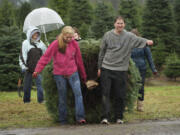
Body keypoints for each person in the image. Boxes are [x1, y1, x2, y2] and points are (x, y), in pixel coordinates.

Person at [97, 16, 154, 124]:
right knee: (106, 93)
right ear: (114, 24)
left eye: (122, 23)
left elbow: (139, 40)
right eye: (118, 23)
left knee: (120, 94)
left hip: (121, 70)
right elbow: (102, 52)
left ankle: (119, 117)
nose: (120, 25)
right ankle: (105, 118)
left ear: (124, 25)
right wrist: (99, 67)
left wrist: (147, 41)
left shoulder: (129, 36)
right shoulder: (108, 35)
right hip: (107, 68)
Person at [32, 26, 87, 125]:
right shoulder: (55, 44)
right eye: (67, 38)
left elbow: (79, 60)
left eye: (71, 37)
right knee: (62, 97)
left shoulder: (74, 44)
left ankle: (80, 117)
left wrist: (83, 75)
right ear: (63, 35)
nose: (70, 40)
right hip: (59, 75)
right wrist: (37, 70)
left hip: (73, 73)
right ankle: (63, 119)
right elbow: (45, 58)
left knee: (78, 95)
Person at [131, 28, 157, 112]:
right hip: (130, 69)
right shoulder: (128, 44)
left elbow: (149, 57)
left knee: (140, 86)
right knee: (129, 86)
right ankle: (129, 104)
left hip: (141, 68)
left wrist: (153, 69)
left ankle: (140, 106)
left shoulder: (144, 45)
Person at [19, 26, 47, 103]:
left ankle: (41, 100)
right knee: (27, 86)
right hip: (28, 68)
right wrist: (23, 66)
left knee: (40, 85)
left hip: (38, 68)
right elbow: (22, 56)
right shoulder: (25, 43)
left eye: (37, 33)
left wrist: (48, 47)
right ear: (30, 34)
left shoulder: (41, 44)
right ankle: (26, 100)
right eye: (34, 33)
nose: (36, 35)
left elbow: (46, 55)